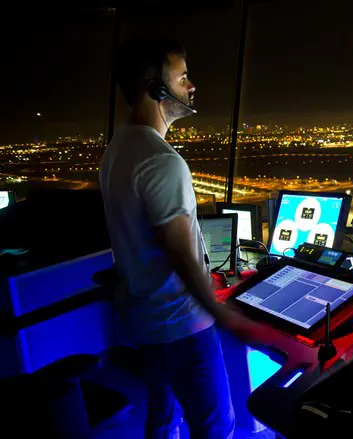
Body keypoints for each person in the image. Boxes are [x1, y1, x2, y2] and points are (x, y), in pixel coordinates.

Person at [100, 38, 259, 439]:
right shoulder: (161, 161)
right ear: (156, 88)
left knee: (162, 413)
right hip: (183, 326)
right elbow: (181, 257)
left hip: (144, 321)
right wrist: (222, 313)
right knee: (216, 427)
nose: (191, 86)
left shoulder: (119, 147)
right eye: (183, 77)